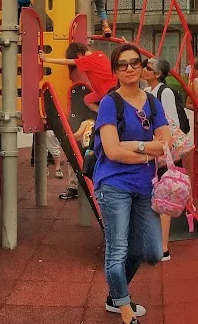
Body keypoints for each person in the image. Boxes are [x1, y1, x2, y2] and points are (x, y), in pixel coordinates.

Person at [94, 43, 168, 324]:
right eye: (122, 64)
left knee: (150, 250)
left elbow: (166, 144)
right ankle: (124, 310)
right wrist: (146, 151)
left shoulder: (152, 102)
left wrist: (134, 147)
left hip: (144, 186)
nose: (129, 68)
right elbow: (112, 151)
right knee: (118, 248)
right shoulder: (109, 103)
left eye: (134, 63)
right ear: (115, 70)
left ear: (142, 67)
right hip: (113, 184)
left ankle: (115, 294)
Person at [142, 58, 182, 261]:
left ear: (157, 74)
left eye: (148, 68)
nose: (143, 70)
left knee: (164, 197)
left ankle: (164, 247)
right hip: (153, 151)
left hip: (164, 153)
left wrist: (159, 139)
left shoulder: (163, 92)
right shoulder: (146, 92)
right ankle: (152, 242)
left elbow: (171, 122)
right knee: (152, 196)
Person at [40, 42, 116, 112]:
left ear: (79, 54)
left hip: (108, 91)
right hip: (111, 88)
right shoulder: (100, 54)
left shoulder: (86, 59)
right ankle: (102, 113)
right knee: (88, 99)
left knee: (94, 103)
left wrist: (46, 59)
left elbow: (67, 61)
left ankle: (104, 113)